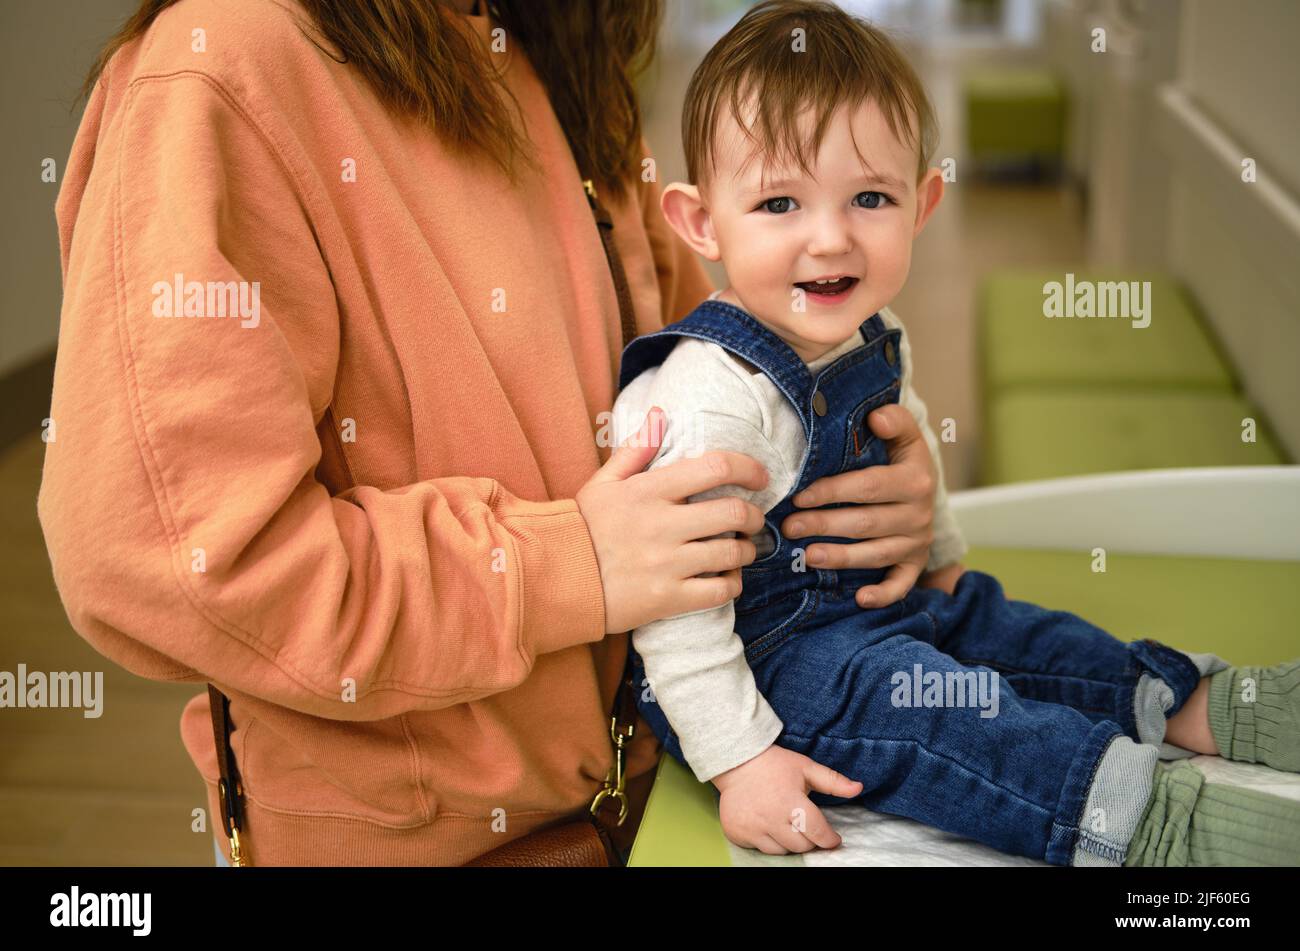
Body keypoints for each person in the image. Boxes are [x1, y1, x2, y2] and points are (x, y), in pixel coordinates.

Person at [38, 0, 951, 866]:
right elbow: (176, 564)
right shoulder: (216, 69)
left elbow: (719, 383)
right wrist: (564, 567)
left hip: (679, 788)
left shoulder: (551, 47)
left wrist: (866, 481)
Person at [612, 0, 1300, 865]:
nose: (829, 239)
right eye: (779, 203)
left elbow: (906, 437)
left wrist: (939, 557)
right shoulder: (713, 399)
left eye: (870, 197)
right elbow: (677, 610)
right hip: (772, 667)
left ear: (923, 202)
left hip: (880, 602)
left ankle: (1204, 706)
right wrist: (741, 760)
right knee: (937, 714)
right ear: (702, 222)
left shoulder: (869, 327)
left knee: (1010, 631)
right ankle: (1150, 820)